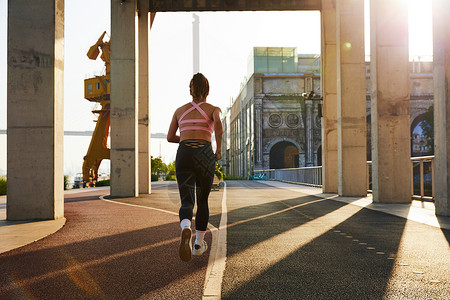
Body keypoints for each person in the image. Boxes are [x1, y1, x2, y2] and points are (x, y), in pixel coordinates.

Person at [167, 73, 223, 262]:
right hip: (204, 154)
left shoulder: (179, 110)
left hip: (184, 154)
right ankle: (198, 243)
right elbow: (219, 126)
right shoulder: (213, 109)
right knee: (203, 200)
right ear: (208, 91)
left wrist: (186, 138)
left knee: (186, 200)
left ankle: (185, 228)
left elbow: (169, 137)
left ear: (190, 90)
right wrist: (219, 149)